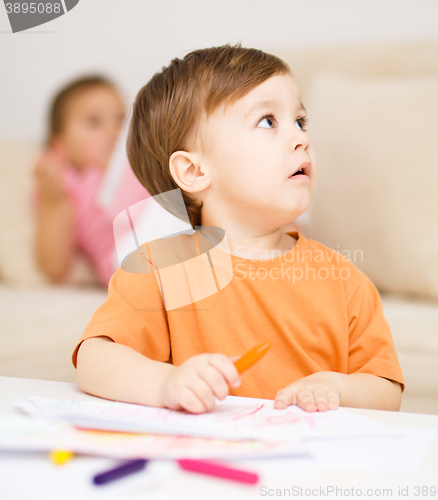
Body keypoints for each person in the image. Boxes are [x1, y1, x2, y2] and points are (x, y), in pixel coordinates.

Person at [73, 43, 405, 414]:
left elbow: (386, 389)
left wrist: (335, 386)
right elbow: (93, 359)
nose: (302, 138)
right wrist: (166, 384)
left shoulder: (343, 279)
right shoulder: (157, 269)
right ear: (194, 172)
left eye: (300, 121)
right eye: (268, 121)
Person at [32, 75, 150, 286]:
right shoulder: (67, 184)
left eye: (121, 120)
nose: (115, 131)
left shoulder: (140, 162)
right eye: (94, 122)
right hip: (129, 262)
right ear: (60, 146)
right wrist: (52, 201)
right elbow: (54, 267)